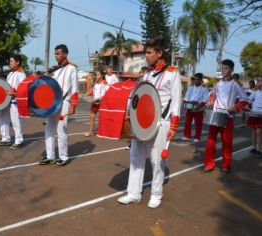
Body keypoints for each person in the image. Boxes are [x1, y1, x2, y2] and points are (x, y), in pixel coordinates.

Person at [117, 37, 182, 208]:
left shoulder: (172, 73)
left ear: (159, 53)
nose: (146, 55)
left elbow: (176, 102)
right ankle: (133, 193)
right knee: (135, 156)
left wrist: (173, 126)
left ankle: (156, 193)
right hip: (142, 123)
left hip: (161, 122)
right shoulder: (146, 74)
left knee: (156, 160)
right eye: (146, 52)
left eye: (149, 52)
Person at [203, 59, 249, 173]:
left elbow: (245, 99)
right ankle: (209, 164)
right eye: (222, 68)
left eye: (226, 68)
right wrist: (211, 101)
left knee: (226, 142)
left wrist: (236, 107)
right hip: (216, 114)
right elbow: (213, 95)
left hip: (228, 117)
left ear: (232, 70)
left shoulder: (235, 85)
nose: (223, 70)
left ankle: (226, 165)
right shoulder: (218, 83)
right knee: (210, 141)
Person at [39, 44, 79, 166]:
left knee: (61, 129)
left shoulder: (72, 68)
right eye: (55, 53)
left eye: (58, 53)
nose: (56, 56)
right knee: (49, 129)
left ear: (65, 54)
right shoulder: (55, 69)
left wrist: (73, 105)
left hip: (65, 102)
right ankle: (50, 156)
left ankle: (64, 156)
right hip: (53, 103)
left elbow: (75, 89)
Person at [0, 54, 26, 149]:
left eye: (12, 61)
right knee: (2, 117)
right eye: (10, 61)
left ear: (18, 62)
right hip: (7, 100)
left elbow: (23, 89)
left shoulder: (21, 74)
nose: (10, 63)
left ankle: (19, 140)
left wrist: (15, 93)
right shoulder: (11, 73)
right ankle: (5, 138)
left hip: (15, 101)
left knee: (16, 120)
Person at [181, 73, 209, 142]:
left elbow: (205, 99)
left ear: (200, 80)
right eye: (195, 79)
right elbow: (187, 96)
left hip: (199, 107)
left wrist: (198, 107)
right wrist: (185, 102)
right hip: (190, 106)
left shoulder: (204, 89)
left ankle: (197, 137)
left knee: (198, 123)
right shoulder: (191, 87)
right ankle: (187, 135)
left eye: (197, 79)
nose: (195, 81)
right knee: (187, 122)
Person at [84, 70, 109, 136]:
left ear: (102, 76)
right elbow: (93, 92)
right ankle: (90, 132)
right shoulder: (95, 83)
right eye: (96, 74)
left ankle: (104, 132)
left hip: (102, 102)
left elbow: (108, 92)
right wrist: (88, 94)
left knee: (102, 117)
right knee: (91, 116)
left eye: (98, 74)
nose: (97, 76)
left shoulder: (104, 82)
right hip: (95, 101)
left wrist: (101, 98)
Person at [247, 77, 262, 158]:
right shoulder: (255, 92)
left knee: (259, 132)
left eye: (260, 81)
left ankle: (259, 150)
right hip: (253, 113)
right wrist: (246, 105)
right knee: (253, 131)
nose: (258, 83)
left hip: (261, 115)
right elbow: (248, 100)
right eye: (258, 81)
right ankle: (254, 147)